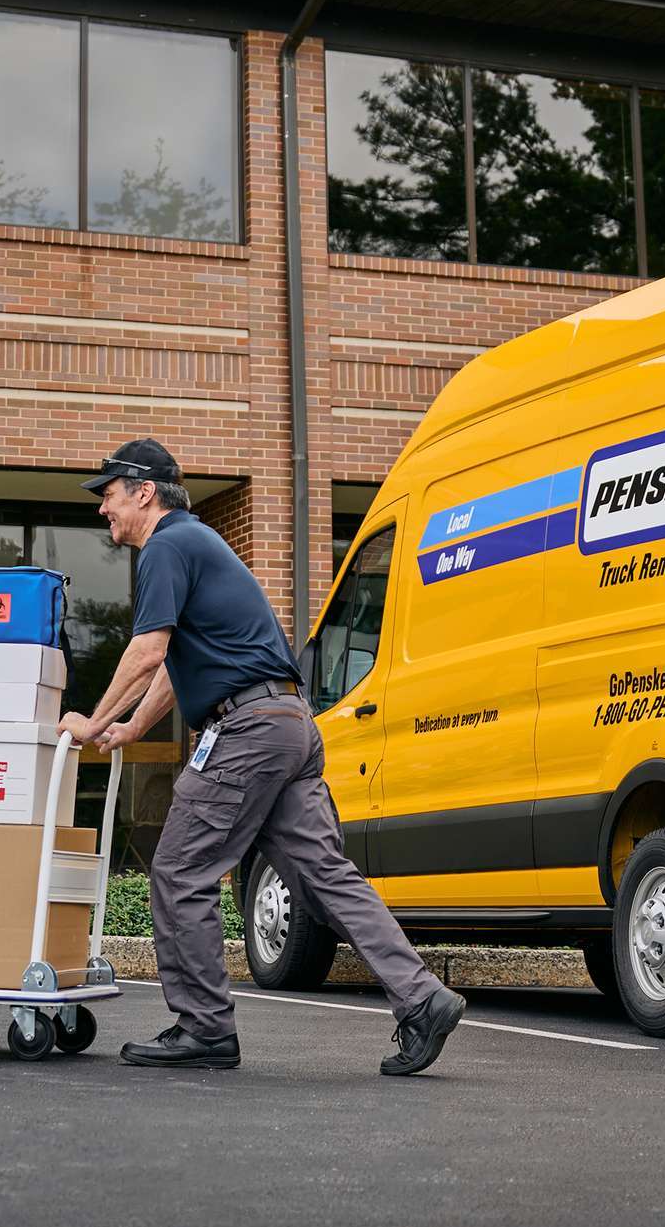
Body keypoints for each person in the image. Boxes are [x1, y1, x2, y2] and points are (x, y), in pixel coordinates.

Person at [60, 438, 464, 1075]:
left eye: (108, 495)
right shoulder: (196, 543)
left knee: (179, 870)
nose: (102, 510)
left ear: (143, 491)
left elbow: (146, 649)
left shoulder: (166, 545)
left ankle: (204, 1028)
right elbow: (174, 660)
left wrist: (91, 722)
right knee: (325, 876)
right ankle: (423, 998)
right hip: (287, 724)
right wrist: (135, 725)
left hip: (246, 732)